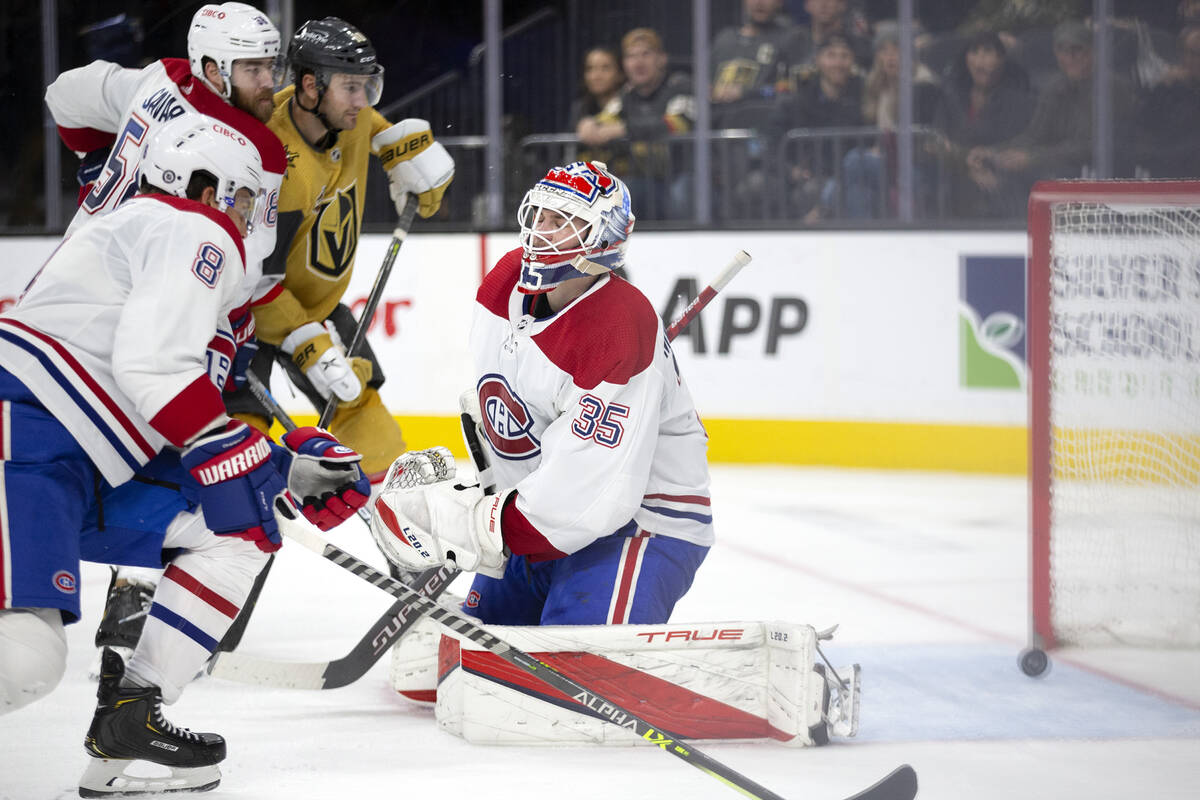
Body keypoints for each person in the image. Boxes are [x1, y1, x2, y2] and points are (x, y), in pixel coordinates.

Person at [0, 115, 365, 796]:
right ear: (205, 185)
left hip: (81, 462)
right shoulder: (184, 224)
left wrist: (287, 467)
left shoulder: (205, 279)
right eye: (248, 199)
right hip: (21, 436)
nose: (255, 218)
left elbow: (169, 420)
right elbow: (155, 369)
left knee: (235, 536)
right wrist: (238, 453)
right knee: (24, 657)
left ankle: (129, 724)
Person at [44, 2, 291, 666]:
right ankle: (150, 611)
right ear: (214, 67)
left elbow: (63, 94)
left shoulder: (157, 79)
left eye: (272, 64)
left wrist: (97, 164)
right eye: (254, 69)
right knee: (177, 456)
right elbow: (240, 265)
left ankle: (130, 596)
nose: (270, 82)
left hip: (87, 284)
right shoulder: (253, 148)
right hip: (176, 297)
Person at [369, 161, 713, 626]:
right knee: (451, 664)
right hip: (539, 517)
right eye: (539, 217)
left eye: (562, 222)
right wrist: (490, 493)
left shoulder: (618, 327)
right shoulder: (504, 282)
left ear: (604, 239)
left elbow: (593, 497)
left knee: (571, 678)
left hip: (639, 526)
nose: (540, 233)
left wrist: (470, 524)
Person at [226, 16, 455, 484]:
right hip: (247, 320)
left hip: (321, 306)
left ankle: (409, 549)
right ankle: (227, 552)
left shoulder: (346, 117)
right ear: (310, 86)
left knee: (381, 447)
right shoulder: (273, 164)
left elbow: (374, 127)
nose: (363, 101)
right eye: (351, 87)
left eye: (368, 86)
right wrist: (309, 346)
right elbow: (257, 283)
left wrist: (402, 150)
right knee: (238, 456)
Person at [965, 20, 1135, 212]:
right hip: (1058, 168)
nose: (1069, 57)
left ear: (1093, 52)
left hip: (1103, 176)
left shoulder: (1112, 88)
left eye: (1076, 50)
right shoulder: (1054, 88)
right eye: (1062, 50)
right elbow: (1034, 135)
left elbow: (1089, 146)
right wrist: (992, 152)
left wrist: (1032, 158)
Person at [841, 21, 944, 219]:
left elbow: (922, 135)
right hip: (884, 162)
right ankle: (865, 236)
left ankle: (861, 232)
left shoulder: (923, 85)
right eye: (884, 51)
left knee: (854, 161)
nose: (890, 57)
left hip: (916, 165)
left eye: (897, 50)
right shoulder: (875, 84)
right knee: (837, 190)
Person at [931, 30, 1035, 218]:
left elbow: (1018, 143)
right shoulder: (951, 97)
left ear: (1001, 59)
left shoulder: (1018, 100)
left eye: (987, 52)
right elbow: (935, 143)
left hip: (1003, 181)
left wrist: (986, 160)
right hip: (954, 177)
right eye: (974, 52)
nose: (980, 59)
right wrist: (966, 165)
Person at [770, 34, 865, 222]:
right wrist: (792, 170)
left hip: (848, 177)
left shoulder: (865, 97)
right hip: (808, 178)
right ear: (818, 60)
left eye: (844, 56)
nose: (838, 63)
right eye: (831, 56)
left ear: (852, 61)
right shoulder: (798, 101)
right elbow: (773, 144)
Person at [614, 27, 695, 220]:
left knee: (680, 194)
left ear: (662, 59)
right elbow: (604, 123)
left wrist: (624, 129)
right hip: (648, 180)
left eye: (646, 54)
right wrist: (588, 125)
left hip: (686, 176)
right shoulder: (626, 95)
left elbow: (678, 123)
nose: (638, 62)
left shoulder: (681, 84)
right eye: (631, 56)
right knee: (618, 197)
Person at [570, 45, 627, 170]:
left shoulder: (630, 103)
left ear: (620, 74)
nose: (596, 75)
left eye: (605, 68)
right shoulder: (580, 108)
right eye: (590, 69)